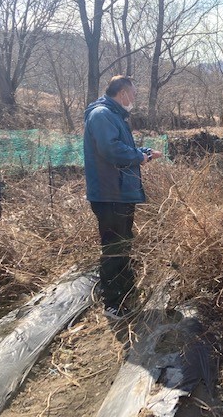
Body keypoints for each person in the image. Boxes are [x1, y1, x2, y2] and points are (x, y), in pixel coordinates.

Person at [84, 75, 163, 319]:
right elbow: (111, 149)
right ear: (122, 93)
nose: (134, 99)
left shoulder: (114, 116)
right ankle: (113, 303)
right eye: (134, 94)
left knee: (124, 242)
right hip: (109, 194)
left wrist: (144, 152)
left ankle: (125, 289)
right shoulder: (102, 115)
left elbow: (121, 147)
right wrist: (139, 157)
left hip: (120, 193)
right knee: (114, 247)